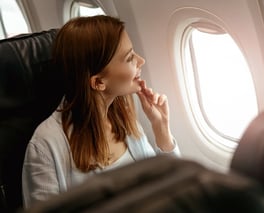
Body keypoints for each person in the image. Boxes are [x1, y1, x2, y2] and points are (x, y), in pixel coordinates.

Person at [22, 15, 180, 208]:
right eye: (130, 57)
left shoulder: (123, 118)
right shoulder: (45, 147)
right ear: (98, 82)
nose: (141, 61)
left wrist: (162, 130)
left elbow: (171, 190)